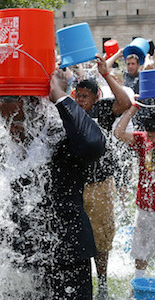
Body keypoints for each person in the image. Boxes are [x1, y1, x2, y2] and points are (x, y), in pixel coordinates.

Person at [0, 67, 105, 299]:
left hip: (67, 257)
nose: (11, 127)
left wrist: (59, 95)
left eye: (17, 120)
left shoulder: (61, 134)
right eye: (5, 120)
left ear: (37, 110)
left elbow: (93, 145)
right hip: (16, 256)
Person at [72, 55, 131, 300]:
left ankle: (103, 284)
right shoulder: (68, 111)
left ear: (96, 97)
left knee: (102, 237)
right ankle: (82, 281)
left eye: (86, 95)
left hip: (100, 183)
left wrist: (105, 73)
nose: (81, 99)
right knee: (77, 234)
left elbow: (126, 102)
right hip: (75, 184)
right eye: (79, 94)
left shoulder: (103, 109)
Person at [114, 103, 155, 297]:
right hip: (145, 206)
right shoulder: (142, 140)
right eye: (151, 134)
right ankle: (138, 282)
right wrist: (133, 108)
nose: (152, 138)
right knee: (141, 248)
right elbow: (118, 133)